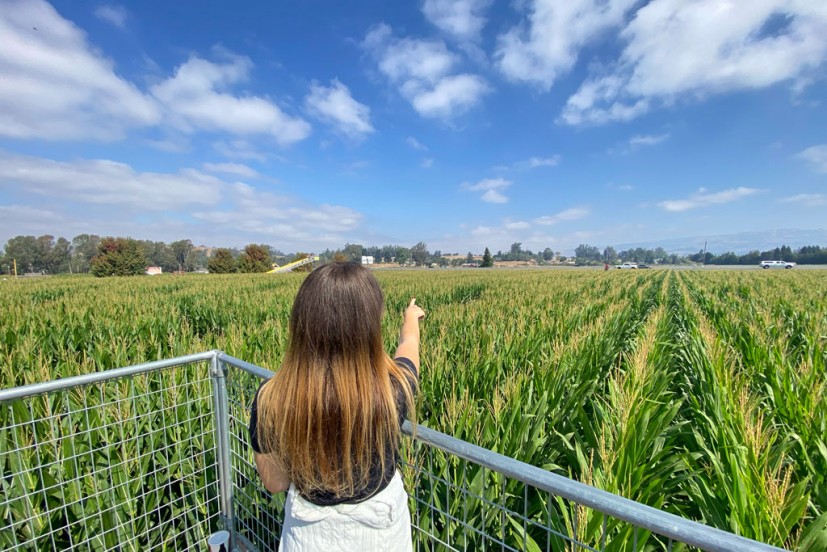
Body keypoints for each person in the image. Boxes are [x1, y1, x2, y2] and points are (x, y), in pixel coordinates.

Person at [248, 262, 425, 551]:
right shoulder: (393, 390)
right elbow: (409, 347)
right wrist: (411, 317)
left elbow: (274, 482)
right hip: (381, 534)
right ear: (369, 326)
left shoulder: (270, 398)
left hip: (306, 536)